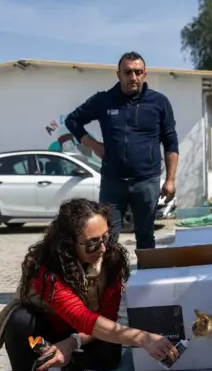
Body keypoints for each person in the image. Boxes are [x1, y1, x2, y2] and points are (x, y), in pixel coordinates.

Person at [0, 198, 181, 371]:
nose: (103, 248)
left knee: (110, 353)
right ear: (68, 243)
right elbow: (81, 317)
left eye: (106, 237)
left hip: (79, 334)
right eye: (92, 243)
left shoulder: (112, 260)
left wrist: (71, 343)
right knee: (19, 321)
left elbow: (105, 317)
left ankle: (73, 368)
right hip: (40, 339)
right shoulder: (42, 267)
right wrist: (144, 338)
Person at [64, 51, 179, 250]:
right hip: (113, 182)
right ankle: (112, 281)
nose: (133, 77)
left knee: (146, 237)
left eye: (137, 72)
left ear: (145, 74)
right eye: (127, 72)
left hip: (146, 181)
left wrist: (170, 180)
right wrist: (93, 144)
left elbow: (171, 142)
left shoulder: (159, 103)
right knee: (107, 239)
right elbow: (72, 120)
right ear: (119, 75)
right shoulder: (103, 101)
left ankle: (147, 279)